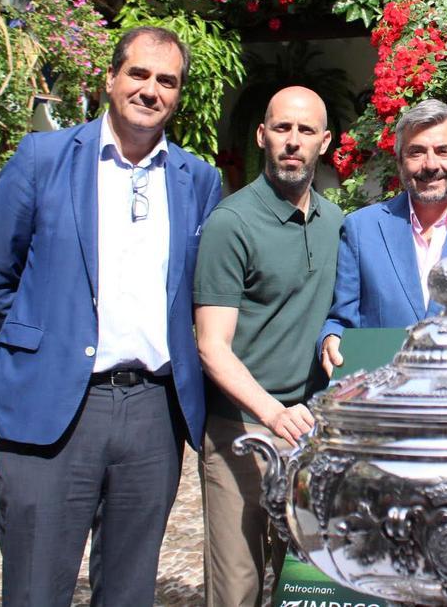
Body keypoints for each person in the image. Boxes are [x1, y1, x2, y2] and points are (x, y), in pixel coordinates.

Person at [0, 26, 223, 606]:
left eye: (167, 81)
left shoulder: (198, 181)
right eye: (139, 74)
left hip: (152, 414)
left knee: (130, 591)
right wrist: (50, 343)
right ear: (110, 79)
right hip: (56, 405)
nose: (151, 90)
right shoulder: (44, 159)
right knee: (36, 588)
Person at [193, 86, 343, 607]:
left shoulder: (337, 223)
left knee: (304, 587)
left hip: (312, 436)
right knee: (238, 588)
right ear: (262, 135)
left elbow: (344, 313)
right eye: (282, 128)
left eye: (305, 131)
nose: (293, 142)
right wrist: (272, 414)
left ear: (324, 142)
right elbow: (212, 346)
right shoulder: (231, 223)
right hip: (242, 429)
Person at [320, 99, 447, 376]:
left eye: (443, 151)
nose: (430, 164)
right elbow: (341, 320)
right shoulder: (361, 229)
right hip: (383, 401)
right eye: (417, 152)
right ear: (399, 161)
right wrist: (331, 338)